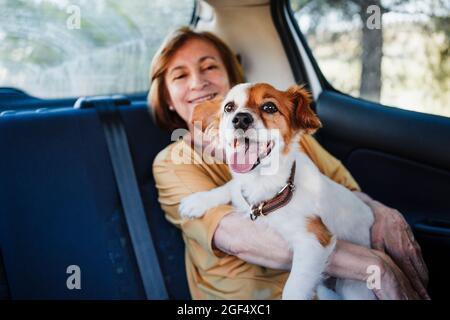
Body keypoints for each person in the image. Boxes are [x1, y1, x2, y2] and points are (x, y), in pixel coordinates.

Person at [149, 26, 429, 300]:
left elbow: (346, 192)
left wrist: (385, 216)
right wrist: (375, 266)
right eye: (180, 75)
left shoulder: (291, 136)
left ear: (231, 76)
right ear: (167, 98)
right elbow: (243, 240)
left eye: (209, 67)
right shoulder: (173, 162)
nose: (198, 82)